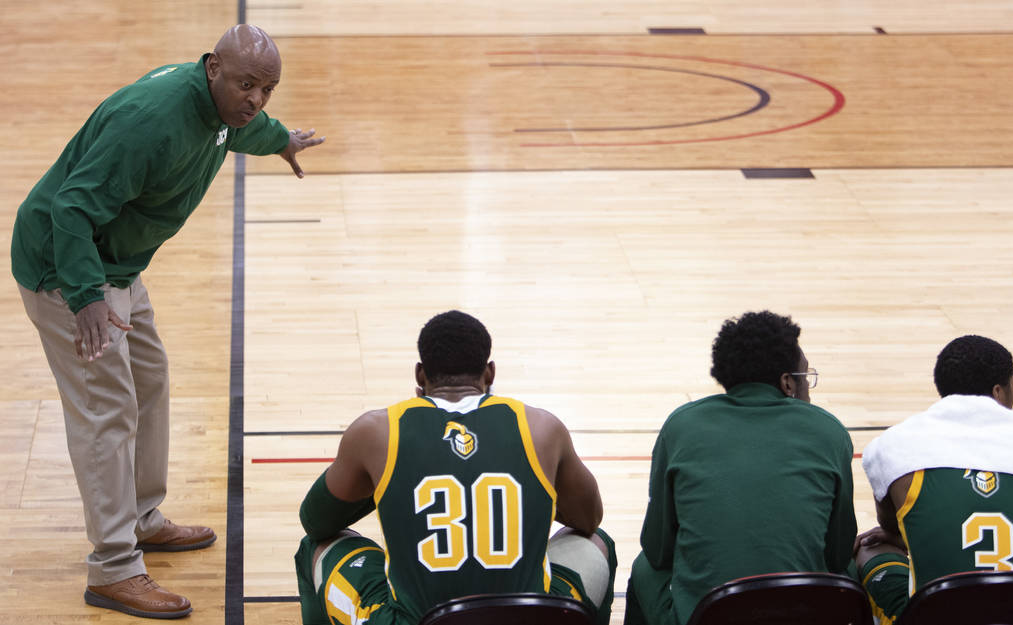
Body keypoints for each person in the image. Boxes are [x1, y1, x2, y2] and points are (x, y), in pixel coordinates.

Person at [11, 24, 325, 619]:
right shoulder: (152, 122)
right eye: (247, 84)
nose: (256, 98)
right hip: (66, 265)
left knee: (149, 382)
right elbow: (70, 206)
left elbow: (245, 126)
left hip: (117, 263)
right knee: (105, 409)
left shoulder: (221, 110)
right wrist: (85, 300)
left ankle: (141, 519)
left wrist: (280, 140)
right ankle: (113, 568)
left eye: (268, 88)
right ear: (212, 68)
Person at [294, 310, 617, 625]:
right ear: (489, 374)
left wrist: (383, 483)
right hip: (526, 618)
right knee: (596, 542)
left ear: (420, 375)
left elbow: (316, 521)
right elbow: (589, 519)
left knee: (318, 547)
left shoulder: (376, 431)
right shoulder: (541, 427)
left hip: (416, 620)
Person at [624, 310, 857, 625]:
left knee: (643, 567)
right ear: (788, 383)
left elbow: (657, 549)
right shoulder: (830, 432)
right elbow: (838, 553)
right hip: (803, 612)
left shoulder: (682, 426)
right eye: (805, 378)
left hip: (706, 615)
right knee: (854, 568)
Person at [856, 335, 1013, 623]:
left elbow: (890, 526)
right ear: (999, 391)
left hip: (936, 615)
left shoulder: (893, 445)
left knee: (870, 548)